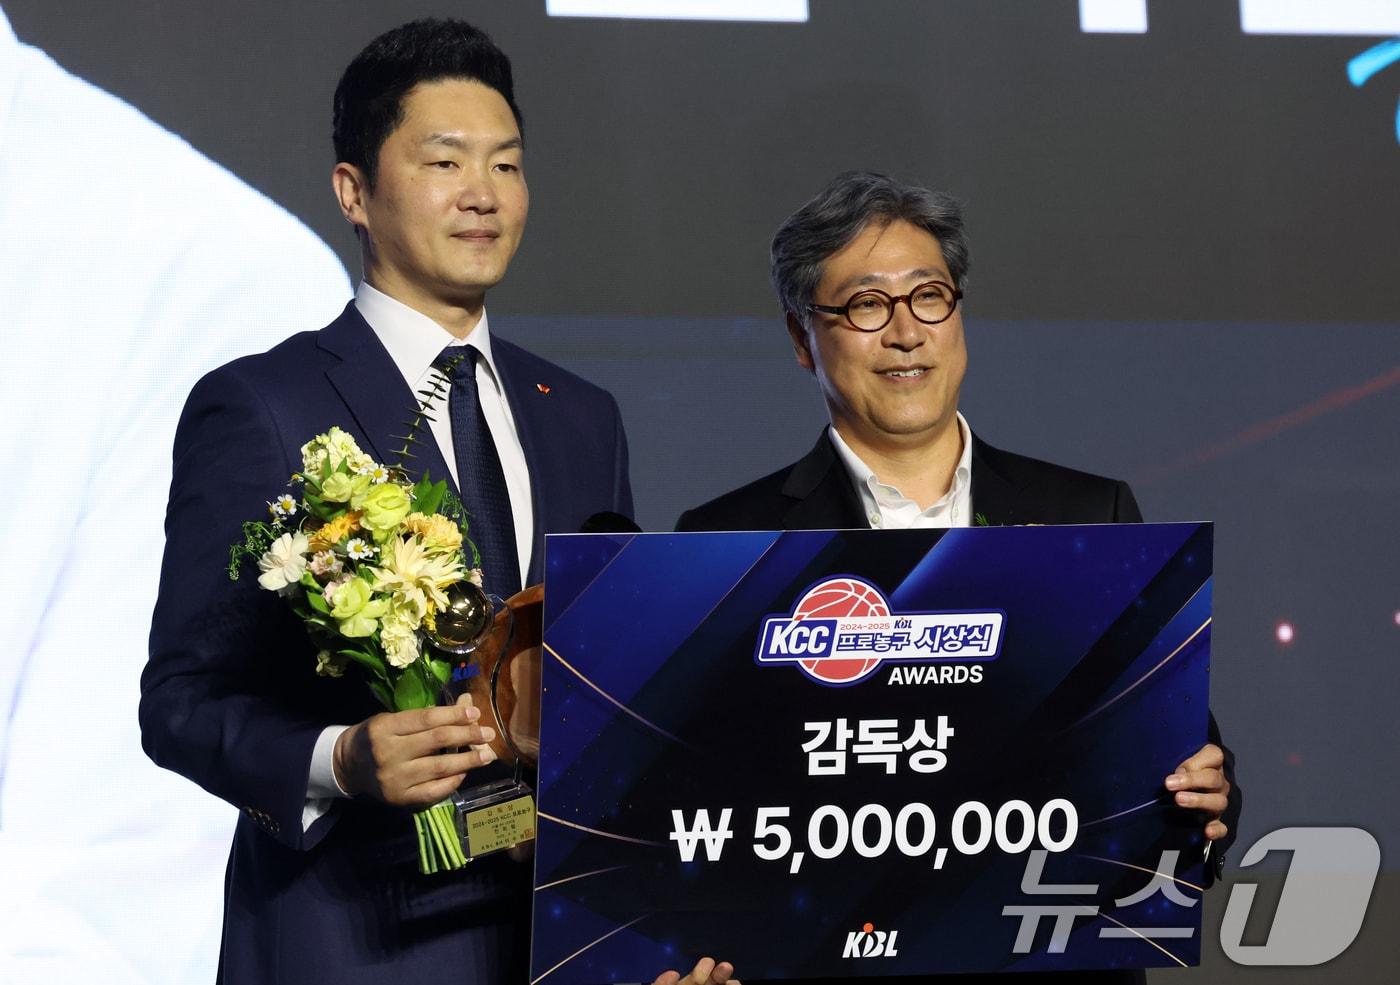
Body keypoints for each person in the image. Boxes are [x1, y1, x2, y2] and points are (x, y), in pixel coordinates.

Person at [140, 19, 733, 985]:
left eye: (507, 164)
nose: (483, 193)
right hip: (356, 939)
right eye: (446, 161)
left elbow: (604, 689)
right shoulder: (263, 406)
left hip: (554, 937)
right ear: (353, 192)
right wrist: (340, 757)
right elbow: (179, 702)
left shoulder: (582, 415)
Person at [678, 170, 1239, 984]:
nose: (907, 332)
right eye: (867, 305)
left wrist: (1206, 798)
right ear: (803, 337)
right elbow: (697, 809)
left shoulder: (1087, 514)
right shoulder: (730, 541)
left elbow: (1182, 755)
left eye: (929, 296)